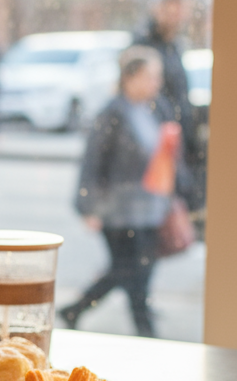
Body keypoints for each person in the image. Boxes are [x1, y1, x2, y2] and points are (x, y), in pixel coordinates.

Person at [60, 46, 184, 338]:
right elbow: (93, 163)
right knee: (133, 273)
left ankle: (76, 309)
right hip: (118, 212)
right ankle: (146, 331)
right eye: (151, 76)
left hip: (149, 209)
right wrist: (88, 207)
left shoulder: (152, 110)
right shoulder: (112, 114)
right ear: (131, 78)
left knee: (130, 270)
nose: (157, 83)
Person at [134, 0, 206, 213]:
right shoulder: (144, 43)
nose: (174, 14)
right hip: (158, 138)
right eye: (168, 8)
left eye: (179, 8)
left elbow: (181, 94)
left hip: (175, 135)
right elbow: (142, 94)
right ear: (155, 8)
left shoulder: (174, 45)